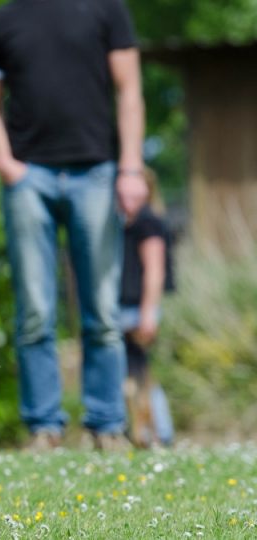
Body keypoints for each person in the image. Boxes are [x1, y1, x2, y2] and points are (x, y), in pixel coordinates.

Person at [0, 0, 149, 450]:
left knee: (102, 311)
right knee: (35, 310)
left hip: (94, 172)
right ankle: (44, 428)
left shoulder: (107, 10)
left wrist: (130, 167)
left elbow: (129, 88)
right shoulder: (2, 20)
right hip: (28, 177)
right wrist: (6, 165)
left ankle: (107, 424)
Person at [119, 167, 175, 447]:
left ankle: (159, 433)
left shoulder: (147, 222)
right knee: (132, 376)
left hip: (135, 310)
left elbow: (155, 271)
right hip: (125, 308)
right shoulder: (127, 223)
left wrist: (147, 313)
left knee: (140, 377)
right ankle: (142, 433)